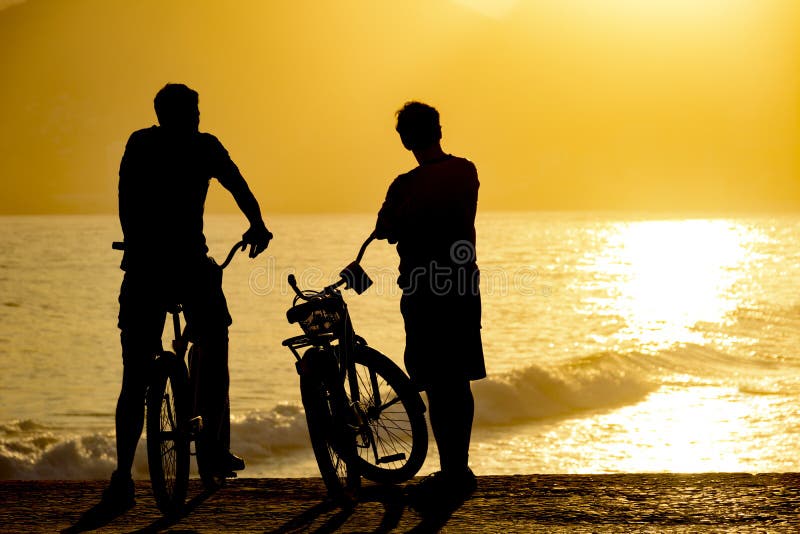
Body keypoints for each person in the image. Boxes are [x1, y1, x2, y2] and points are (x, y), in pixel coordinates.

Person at [100, 83, 273, 512]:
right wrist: (258, 225)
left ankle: (123, 477)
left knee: (134, 377)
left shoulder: (141, 143)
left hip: (143, 269)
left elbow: (125, 197)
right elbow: (239, 187)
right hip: (191, 265)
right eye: (193, 110)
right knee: (214, 339)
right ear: (184, 114)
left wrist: (137, 242)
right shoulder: (205, 146)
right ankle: (211, 446)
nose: (196, 117)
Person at [374, 101, 486, 512]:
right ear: (439, 129)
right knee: (457, 380)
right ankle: (458, 468)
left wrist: (404, 216)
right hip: (460, 286)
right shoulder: (465, 171)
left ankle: (452, 471)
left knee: (440, 384)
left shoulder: (405, 184)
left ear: (405, 139)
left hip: (423, 291)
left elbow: (386, 227)